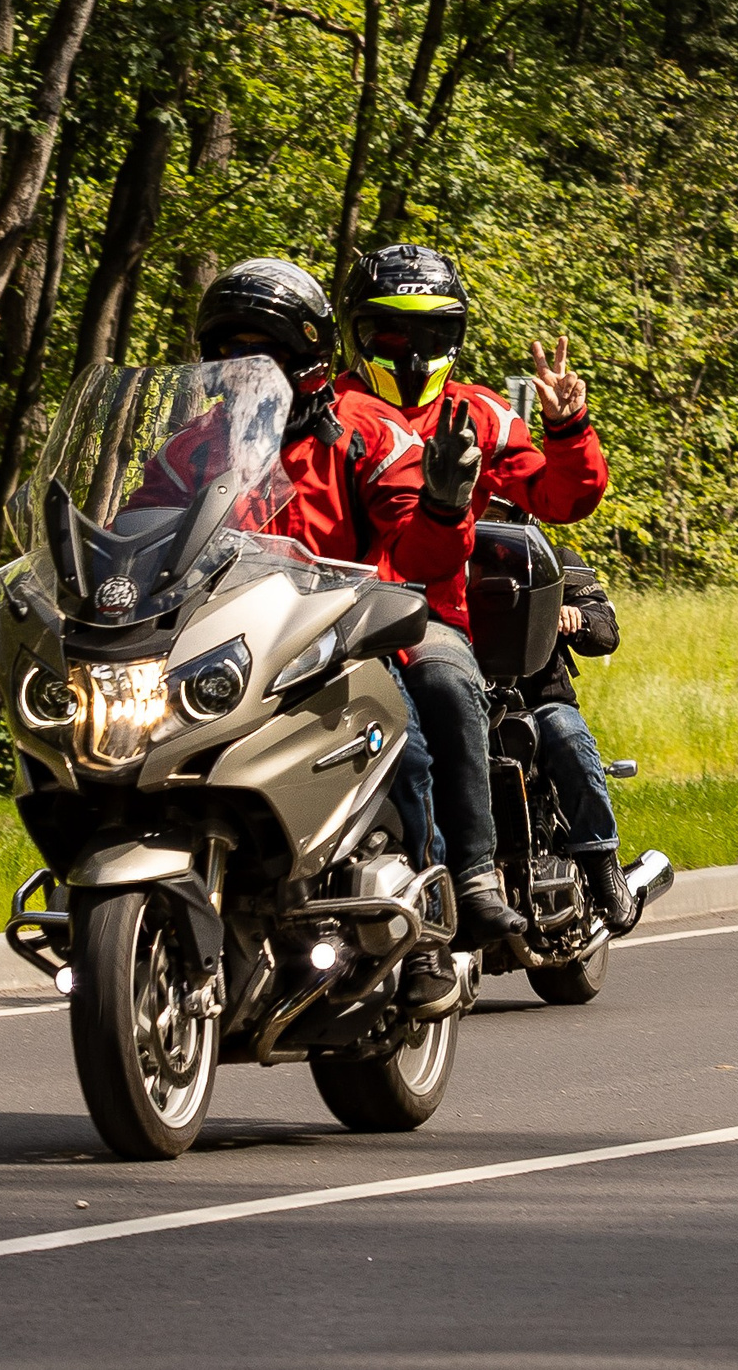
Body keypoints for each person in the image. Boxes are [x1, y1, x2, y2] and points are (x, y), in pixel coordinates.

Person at [185, 262, 469, 1014]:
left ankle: (429, 935)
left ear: (305, 360)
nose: (245, 369)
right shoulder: (194, 448)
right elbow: (141, 530)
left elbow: (419, 554)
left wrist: (443, 505)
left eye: (264, 351)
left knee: (402, 746)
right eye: (229, 352)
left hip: (333, 643)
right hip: (221, 653)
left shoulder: (363, 435)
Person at [334, 243, 612, 951]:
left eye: (429, 333)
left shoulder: (481, 412)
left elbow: (561, 496)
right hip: (326, 611)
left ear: (453, 337)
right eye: (391, 332)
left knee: (451, 688)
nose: (410, 349)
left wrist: (568, 427)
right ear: (361, 333)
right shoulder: (330, 411)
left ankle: (476, 876)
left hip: (429, 616)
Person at [522, 540, 637, 932]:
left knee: (569, 737)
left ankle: (602, 865)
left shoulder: (551, 559)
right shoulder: (446, 552)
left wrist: (579, 618)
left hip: (539, 698)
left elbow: (606, 626)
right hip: (475, 701)